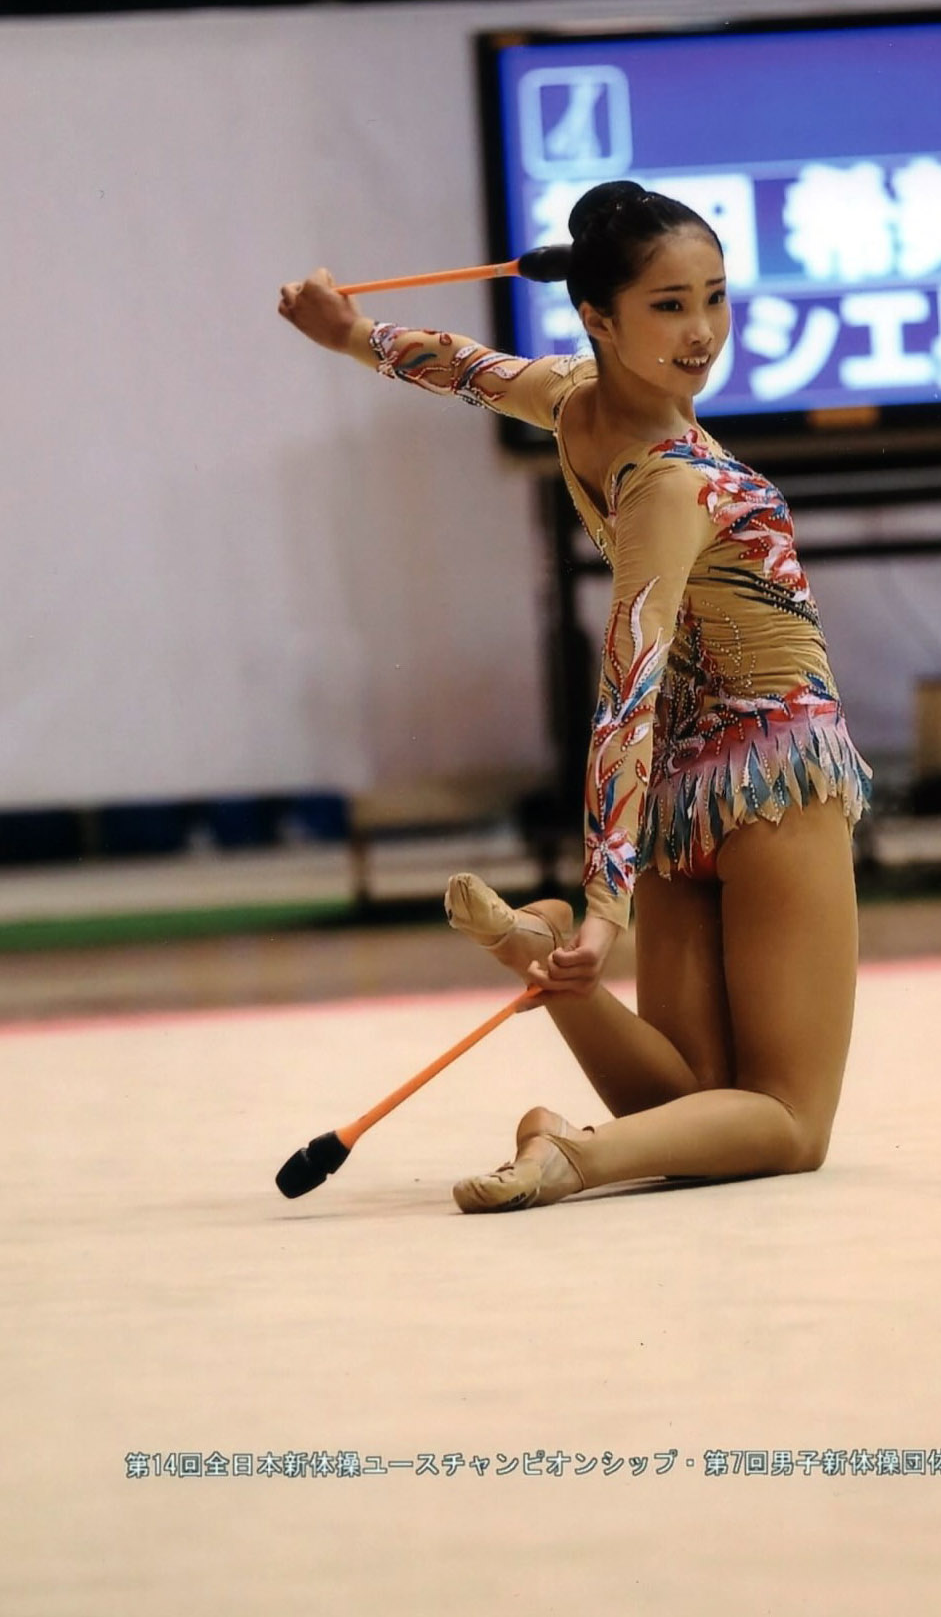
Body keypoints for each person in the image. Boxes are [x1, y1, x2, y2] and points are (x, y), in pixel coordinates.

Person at [278, 181, 871, 1212]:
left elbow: (466, 367)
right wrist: (604, 906)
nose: (702, 331)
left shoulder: (570, 402)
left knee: (689, 1094)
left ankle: (538, 964)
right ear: (598, 316)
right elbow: (626, 692)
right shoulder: (672, 479)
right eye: (669, 305)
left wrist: (352, 337)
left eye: (715, 298)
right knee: (789, 1120)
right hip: (774, 775)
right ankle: (577, 1159)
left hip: (684, 793)